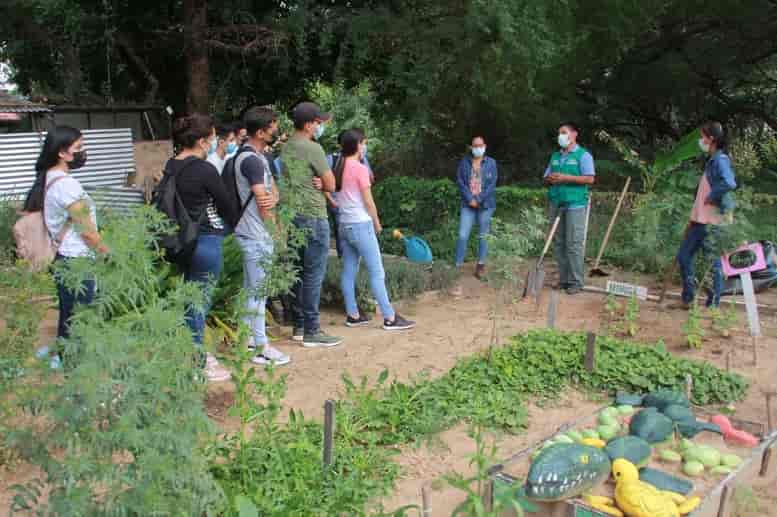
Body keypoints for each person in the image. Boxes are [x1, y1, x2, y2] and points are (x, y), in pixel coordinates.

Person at [23, 126, 108, 369]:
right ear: (62, 152)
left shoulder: (49, 177)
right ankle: (75, 371)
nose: (83, 152)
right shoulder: (67, 185)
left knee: (69, 313)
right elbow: (88, 231)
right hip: (77, 260)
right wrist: (108, 254)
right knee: (80, 319)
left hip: (64, 259)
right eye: (79, 147)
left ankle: (62, 357)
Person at [164, 114, 237, 382]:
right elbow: (226, 205)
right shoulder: (205, 169)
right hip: (205, 240)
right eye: (213, 138)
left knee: (190, 297)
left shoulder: (172, 165)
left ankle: (190, 352)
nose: (215, 143)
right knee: (199, 300)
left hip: (181, 241)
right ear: (203, 140)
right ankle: (198, 362)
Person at [334, 130, 416, 330]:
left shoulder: (338, 166)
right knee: (377, 272)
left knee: (348, 271)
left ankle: (353, 314)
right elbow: (369, 202)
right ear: (357, 145)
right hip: (361, 225)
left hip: (344, 224)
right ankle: (390, 317)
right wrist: (377, 223)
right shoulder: (359, 168)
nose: (365, 147)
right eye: (364, 143)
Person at [280, 102, 343, 347]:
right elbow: (331, 184)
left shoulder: (286, 148)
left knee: (297, 272)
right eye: (319, 123)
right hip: (314, 216)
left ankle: (299, 325)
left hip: (293, 216)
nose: (321, 126)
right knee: (313, 274)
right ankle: (313, 330)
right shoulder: (313, 148)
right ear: (308, 125)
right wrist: (322, 182)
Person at [232, 107, 290, 366]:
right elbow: (265, 200)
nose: (276, 130)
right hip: (256, 235)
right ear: (260, 131)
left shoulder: (255, 157)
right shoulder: (252, 161)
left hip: (252, 233)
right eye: (272, 126)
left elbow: (273, 193)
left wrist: (272, 197)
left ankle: (247, 342)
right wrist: (276, 232)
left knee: (251, 291)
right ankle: (260, 347)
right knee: (258, 293)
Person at [676, 121, 737, 309]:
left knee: (713, 264)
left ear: (711, 139)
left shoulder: (720, 160)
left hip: (713, 223)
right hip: (699, 221)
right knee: (684, 256)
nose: (700, 141)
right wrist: (692, 218)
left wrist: (712, 195)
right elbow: (701, 195)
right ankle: (689, 296)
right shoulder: (711, 161)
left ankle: (713, 303)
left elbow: (729, 182)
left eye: (703, 137)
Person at [544, 122, 595, 295]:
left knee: (573, 244)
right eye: (559, 133)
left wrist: (566, 177)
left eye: (564, 133)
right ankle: (564, 279)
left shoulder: (583, 155)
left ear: (574, 134)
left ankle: (576, 282)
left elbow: (589, 179)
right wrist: (551, 178)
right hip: (556, 203)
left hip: (575, 204)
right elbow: (546, 176)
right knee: (559, 243)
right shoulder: (555, 156)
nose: (561, 136)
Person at [454, 135, 498, 279]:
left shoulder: (491, 163)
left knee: (483, 236)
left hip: (485, 205)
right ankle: (458, 265)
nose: (478, 148)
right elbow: (460, 182)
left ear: (484, 146)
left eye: (480, 145)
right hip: (468, 205)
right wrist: (470, 198)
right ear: (471, 147)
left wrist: (478, 199)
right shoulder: (464, 162)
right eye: (475, 146)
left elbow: (492, 185)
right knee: (462, 235)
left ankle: (481, 264)